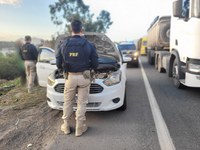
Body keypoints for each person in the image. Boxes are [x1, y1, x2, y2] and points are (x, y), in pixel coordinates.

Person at [56, 20, 99, 137]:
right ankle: (79, 128)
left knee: (68, 101)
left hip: (70, 77)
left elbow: (58, 62)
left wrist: (63, 68)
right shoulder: (89, 44)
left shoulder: (64, 43)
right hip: (84, 77)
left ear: (71, 30)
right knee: (82, 102)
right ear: (82, 30)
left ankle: (65, 126)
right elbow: (95, 63)